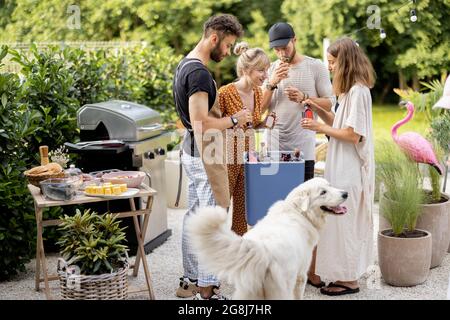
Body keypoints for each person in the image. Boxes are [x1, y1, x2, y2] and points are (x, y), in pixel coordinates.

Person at [172, 14, 250, 300]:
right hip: (204, 155)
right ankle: (207, 289)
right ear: (214, 38)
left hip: (191, 152)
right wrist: (234, 120)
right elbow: (200, 123)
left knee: (194, 217)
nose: (228, 52)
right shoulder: (200, 73)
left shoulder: (185, 64)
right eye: (228, 45)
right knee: (212, 220)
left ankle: (190, 281)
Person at [262, 22, 335, 287]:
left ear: (295, 40)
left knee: (307, 213)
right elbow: (260, 108)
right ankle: (278, 269)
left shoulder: (314, 66)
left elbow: (330, 102)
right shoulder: (272, 68)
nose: (281, 53)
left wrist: (305, 97)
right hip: (275, 150)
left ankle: (309, 271)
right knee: (278, 211)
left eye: (284, 46)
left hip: (302, 150)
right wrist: (272, 83)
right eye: (277, 49)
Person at [301, 37, 375, 296]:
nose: (330, 67)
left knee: (346, 223)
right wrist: (314, 107)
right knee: (339, 222)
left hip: (350, 169)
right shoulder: (349, 92)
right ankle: (343, 275)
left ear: (344, 62)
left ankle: (350, 280)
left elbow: (353, 134)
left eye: (332, 62)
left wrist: (319, 128)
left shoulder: (359, 92)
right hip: (341, 166)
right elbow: (338, 124)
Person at [218, 42, 270, 235]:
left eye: (267, 70)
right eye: (261, 70)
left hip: (249, 157)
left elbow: (252, 124)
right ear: (247, 69)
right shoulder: (225, 92)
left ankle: (238, 247)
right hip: (227, 158)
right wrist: (233, 121)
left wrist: (265, 123)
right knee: (221, 206)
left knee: (243, 207)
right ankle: (216, 248)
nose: (265, 75)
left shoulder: (257, 92)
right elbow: (213, 125)